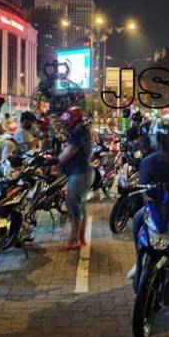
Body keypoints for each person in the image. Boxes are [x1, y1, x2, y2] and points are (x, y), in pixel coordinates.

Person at [128, 120, 169, 280]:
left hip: (166, 209)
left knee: (137, 220)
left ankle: (138, 262)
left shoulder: (149, 160)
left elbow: (143, 190)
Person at [55, 107, 94, 250]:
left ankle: (75, 240)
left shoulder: (77, 133)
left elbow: (69, 151)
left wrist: (56, 162)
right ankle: (81, 239)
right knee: (80, 206)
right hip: (83, 172)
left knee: (74, 206)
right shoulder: (83, 130)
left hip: (79, 174)